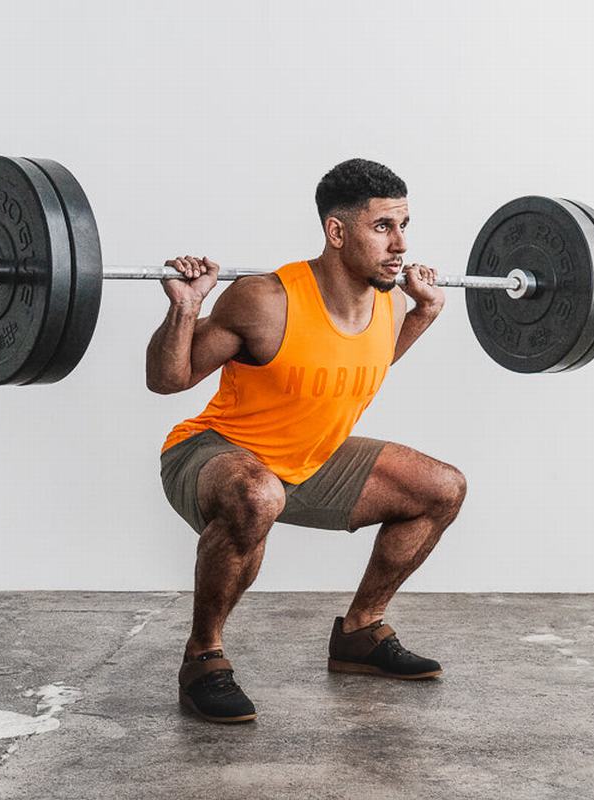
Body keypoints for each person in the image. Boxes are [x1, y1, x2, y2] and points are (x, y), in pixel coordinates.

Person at [146, 159, 467, 724]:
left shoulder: (387, 299)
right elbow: (168, 380)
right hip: (214, 452)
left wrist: (426, 312)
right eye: (383, 227)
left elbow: (362, 361)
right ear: (336, 232)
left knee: (442, 488)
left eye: (404, 225)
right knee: (259, 494)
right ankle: (203, 658)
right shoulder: (266, 299)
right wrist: (186, 308)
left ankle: (361, 632)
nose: (401, 244)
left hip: (310, 459)